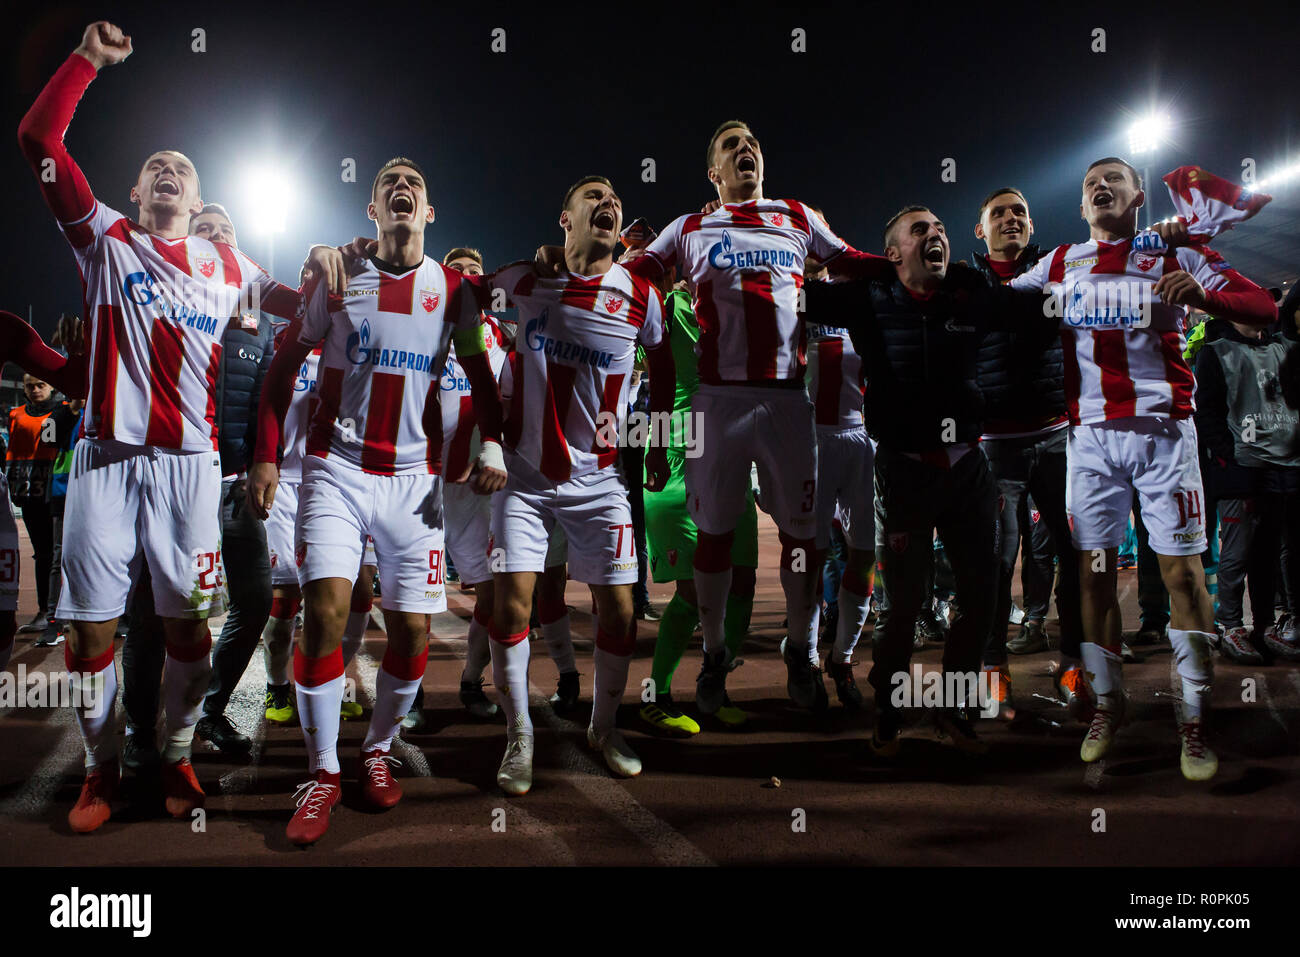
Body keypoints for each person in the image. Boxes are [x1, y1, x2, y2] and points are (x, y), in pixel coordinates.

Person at [17, 21, 306, 832]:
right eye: (156, 169)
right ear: (138, 196)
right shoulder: (106, 240)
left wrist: (337, 263)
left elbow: (301, 308)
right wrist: (87, 61)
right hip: (106, 459)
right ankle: (100, 768)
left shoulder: (228, 267)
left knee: (189, 625)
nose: (169, 173)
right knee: (91, 634)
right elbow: (38, 136)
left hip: (189, 465)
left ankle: (175, 748)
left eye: (183, 168)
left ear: (197, 196)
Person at [249, 156, 505, 845]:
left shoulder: (456, 291)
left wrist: (493, 446)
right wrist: (267, 453)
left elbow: (483, 376)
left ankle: (376, 750)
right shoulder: (335, 279)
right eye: (388, 183)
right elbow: (279, 371)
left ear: (429, 212)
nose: (402, 188)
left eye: (415, 184)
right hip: (335, 471)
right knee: (325, 611)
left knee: (414, 633)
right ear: (371, 211)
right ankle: (323, 771)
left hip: (413, 481)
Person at [1008, 157, 1278, 780]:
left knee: (1183, 579)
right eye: (1089, 184)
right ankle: (1110, 703)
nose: (1099, 187)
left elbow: (1261, 305)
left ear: (1137, 199)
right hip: (1091, 443)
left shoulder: (1174, 251)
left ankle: (1193, 719)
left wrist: (1206, 297)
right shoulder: (1059, 263)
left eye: (1114, 180)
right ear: (1081, 209)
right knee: (1095, 579)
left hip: (1164, 436)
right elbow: (997, 298)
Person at [616, 121, 893, 716]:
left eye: (753, 144)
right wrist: (570, 266)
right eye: (729, 147)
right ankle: (715, 654)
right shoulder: (688, 227)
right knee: (714, 536)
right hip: (718, 404)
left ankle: (801, 649)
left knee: (801, 537)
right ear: (713, 174)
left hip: (791, 403)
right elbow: (631, 276)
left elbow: (851, 263)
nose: (745, 150)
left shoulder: (795, 215)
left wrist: (903, 264)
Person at [804, 206, 1054, 757]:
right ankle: (890, 706)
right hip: (903, 471)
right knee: (903, 602)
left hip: (968, 469)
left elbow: (1036, 310)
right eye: (920, 230)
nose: (935, 234)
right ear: (893, 253)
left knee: (980, 592)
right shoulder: (868, 298)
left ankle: (955, 702)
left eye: (940, 228)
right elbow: (789, 293)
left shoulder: (969, 291)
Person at [478, 175, 673, 795]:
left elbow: (663, 368)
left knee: (620, 610)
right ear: (565, 220)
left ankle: (603, 727)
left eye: (614, 198)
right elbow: (457, 303)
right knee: (513, 604)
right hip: (525, 478)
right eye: (593, 197)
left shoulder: (641, 297)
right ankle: (519, 737)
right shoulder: (523, 281)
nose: (608, 204)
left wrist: (659, 440)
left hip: (600, 478)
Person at [971, 187, 1087, 719]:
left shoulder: (1056, 271)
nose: (1010, 220)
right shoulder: (967, 283)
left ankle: (1073, 664)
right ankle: (994, 668)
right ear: (981, 231)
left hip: (1056, 435)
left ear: (1031, 223)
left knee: (1074, 551)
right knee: (999, 558)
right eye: (999, 213)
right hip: (995, 446)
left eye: (1018, 212)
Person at [1194, 316, 1300, 660]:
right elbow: (1206, 411)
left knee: (1267, 553)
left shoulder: (1281, 347)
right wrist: (1228, 454)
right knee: (1237, 551)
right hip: (1240, 470)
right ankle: (1230, 625)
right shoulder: (1215, 352)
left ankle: (1264, 626)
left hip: (1281, 466)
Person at [6, 375, 61, 637]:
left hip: (58, 489)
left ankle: (63, 611)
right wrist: (15, 486)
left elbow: (53, 447)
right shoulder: (15, 415)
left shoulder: (62, 411)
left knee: (61, 554)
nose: (35, 390)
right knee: (43, 553)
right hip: (30, 492)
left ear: (51, 386)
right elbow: (14, 453)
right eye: (30, 385)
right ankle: (44, 610)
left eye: (41, 385)